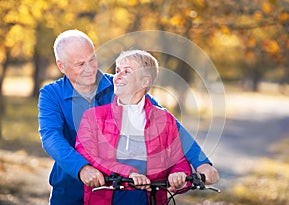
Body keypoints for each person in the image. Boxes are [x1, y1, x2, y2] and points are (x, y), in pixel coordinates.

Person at [38, 29, 219, 205]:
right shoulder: (51, 94)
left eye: (92, 59)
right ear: (61, 66)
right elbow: (51, 137)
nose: (90, 69)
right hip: (71, 183)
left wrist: (201, 162)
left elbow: (167, 123)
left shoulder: (120, 85)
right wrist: (82, 169)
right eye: (80, 64)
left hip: (117, 187)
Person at [75, 49, 192, 205]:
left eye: (127, 71)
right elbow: (85, 152)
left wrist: (179, 174)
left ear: (145, 82)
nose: (118, 76)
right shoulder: (93, 116)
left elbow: (178, 159)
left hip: (150, 199)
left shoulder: (164, 119)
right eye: (117, 71)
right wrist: (127, 172)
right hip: (107, 197)